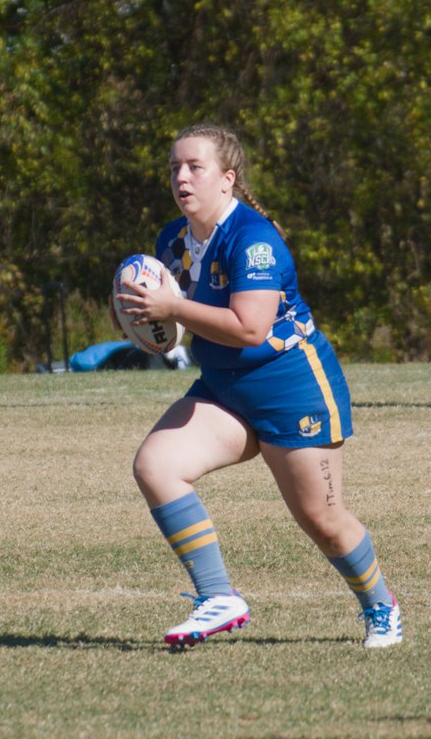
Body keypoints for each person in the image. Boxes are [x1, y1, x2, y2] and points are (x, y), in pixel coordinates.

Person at [113, 123, 402, 649]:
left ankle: (381, 607)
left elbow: (251, 327)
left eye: (194, 167)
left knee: (322, 519)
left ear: (227, 179)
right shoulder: (171, 241)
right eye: (175, 167)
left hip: (292, 387)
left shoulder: (255, 241)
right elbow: (176, 325)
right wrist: (145, 323)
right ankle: (217, 596)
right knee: (156, 466)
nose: (181, 177)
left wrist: (171, 308)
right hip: (224, 386)